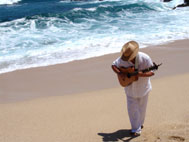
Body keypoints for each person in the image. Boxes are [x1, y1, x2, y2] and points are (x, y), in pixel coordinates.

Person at [111, 41, 154, 136]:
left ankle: (140, 124)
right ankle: (135, 129)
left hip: (143, 88)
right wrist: (120, 73)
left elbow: (152, 72)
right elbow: (113, 65)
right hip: (129, 89)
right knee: (132, 109)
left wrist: (141, 74)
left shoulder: (145, 58)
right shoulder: (122, 59)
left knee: (142, 109)